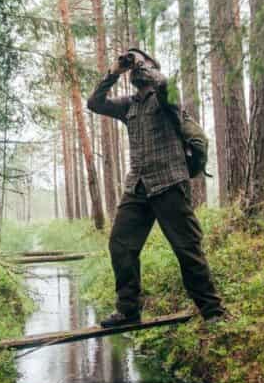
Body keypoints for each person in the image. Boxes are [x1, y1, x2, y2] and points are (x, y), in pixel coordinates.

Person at [87, 48, 227, 327]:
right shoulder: (129, 105)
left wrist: (144, 66)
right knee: (120, 244)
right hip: (138, 187)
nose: (136, 68)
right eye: (134, 65)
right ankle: (128, 311)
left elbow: (164, 84)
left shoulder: (166, 99)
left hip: (169, 184)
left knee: (187, 247)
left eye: (142, 64)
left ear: (152, 68)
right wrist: (115, 72)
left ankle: (213, 311)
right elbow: (95, 103)